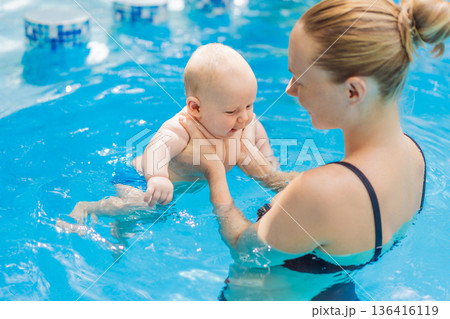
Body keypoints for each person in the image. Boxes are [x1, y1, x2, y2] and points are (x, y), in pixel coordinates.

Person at [177, 0, 450, 300]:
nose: (289, 89)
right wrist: (272, 178)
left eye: (301, 79)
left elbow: (244, 250)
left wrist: (214, 171)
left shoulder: (318, 192)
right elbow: (336, 219)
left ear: (353, 91)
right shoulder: (414, 157)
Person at [57, 43, 278, 229]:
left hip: (173, 187)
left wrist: (267, 155)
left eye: (249, 105)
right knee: (139, 208)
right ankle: (89, 206)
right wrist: (158, 177)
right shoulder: (183, 126)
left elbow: (258, 133)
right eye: (232, 111)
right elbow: (156, 148)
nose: (244, 117)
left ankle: (122, 229)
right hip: (139, 179)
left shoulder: (243, 119)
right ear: (196, 108)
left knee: (156, 216)